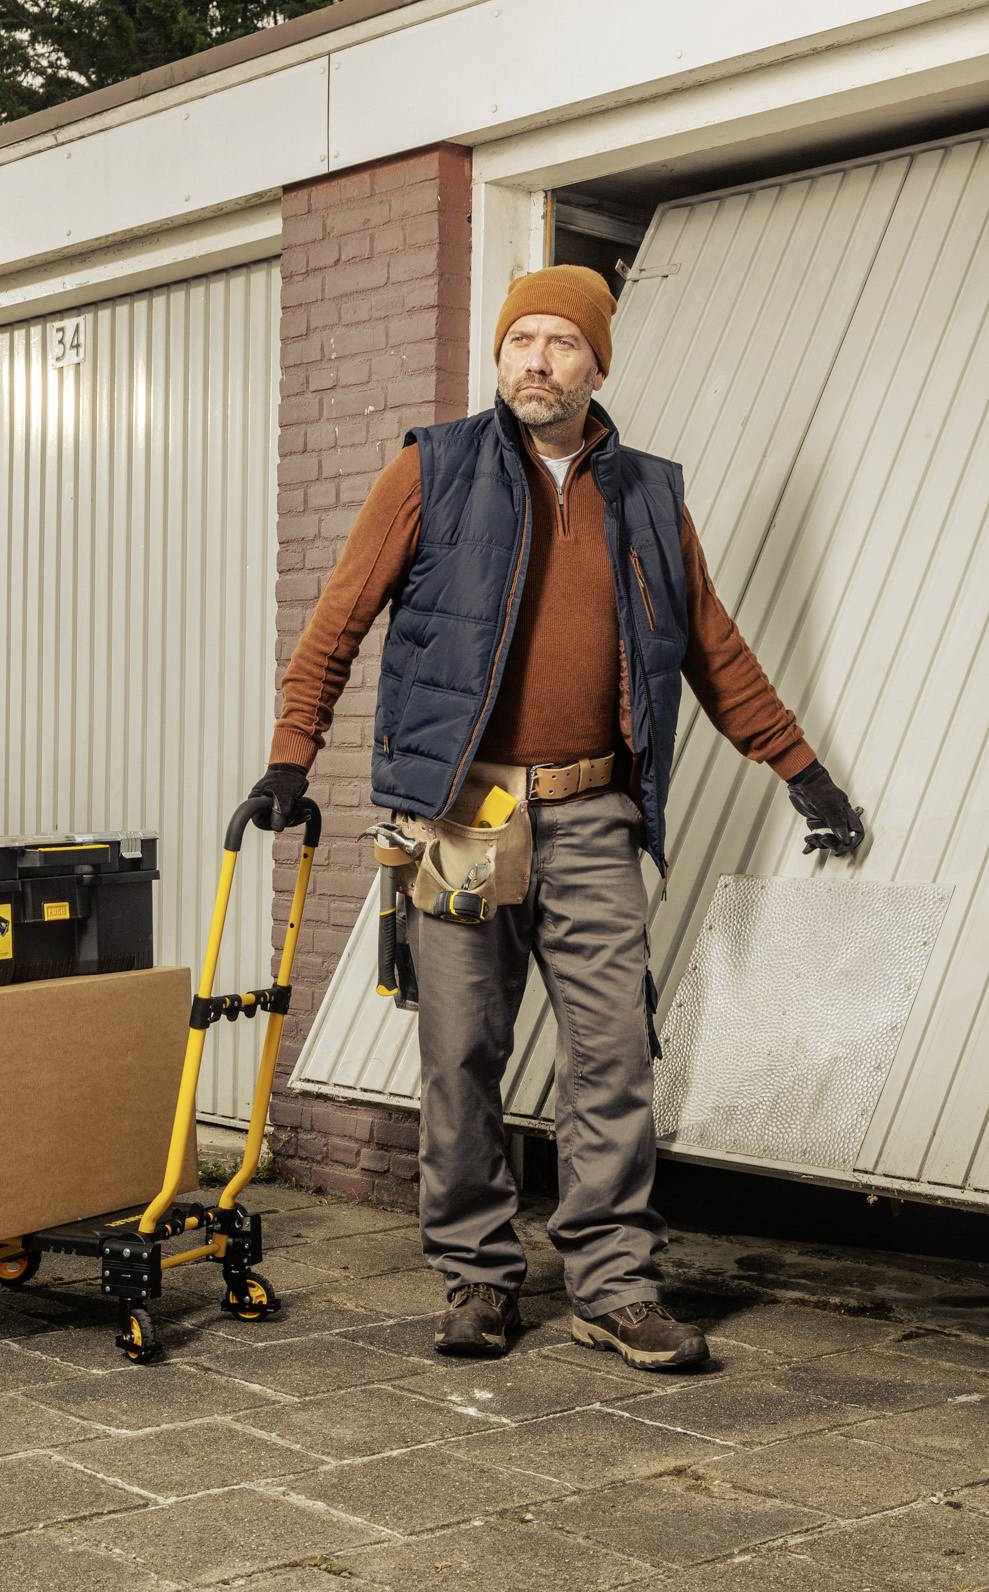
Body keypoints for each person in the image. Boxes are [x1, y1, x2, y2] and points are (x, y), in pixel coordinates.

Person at [250, 265, 865, 1372]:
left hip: (591, 810)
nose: (535, 360)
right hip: (463, 813)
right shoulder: (427, 472)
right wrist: (290, 757)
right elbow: (336, 621)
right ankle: (477, 1276)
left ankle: (613, 1284)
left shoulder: (646, 493)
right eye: (519, 339)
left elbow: (711, 649)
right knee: (460, 1052)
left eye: (559, 344)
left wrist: (797, 764)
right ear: (499, 356)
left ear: (595, 365)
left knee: (613, 1054)